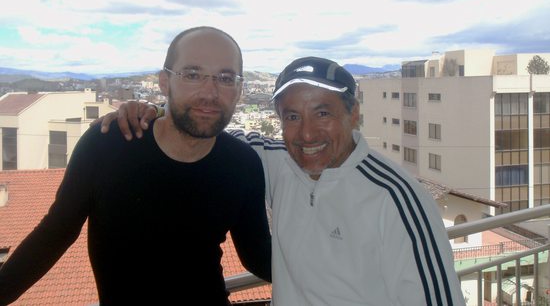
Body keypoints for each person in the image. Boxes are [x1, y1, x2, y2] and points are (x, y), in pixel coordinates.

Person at [99, 57, 466, 305]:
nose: (307, 134)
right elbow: (208, 133)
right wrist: (156, 112)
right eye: (292, 116)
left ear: (353, 114)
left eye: (323, 113)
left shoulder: (397, 199)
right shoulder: (277, 162)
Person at [0, 26, 271, 305]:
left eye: (225, 78)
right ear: (164, 82)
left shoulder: (242, 164)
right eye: (192, 75)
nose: (210, 92)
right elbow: (54, 234)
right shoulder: (109, 144)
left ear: (239, 89)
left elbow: (259, 257)